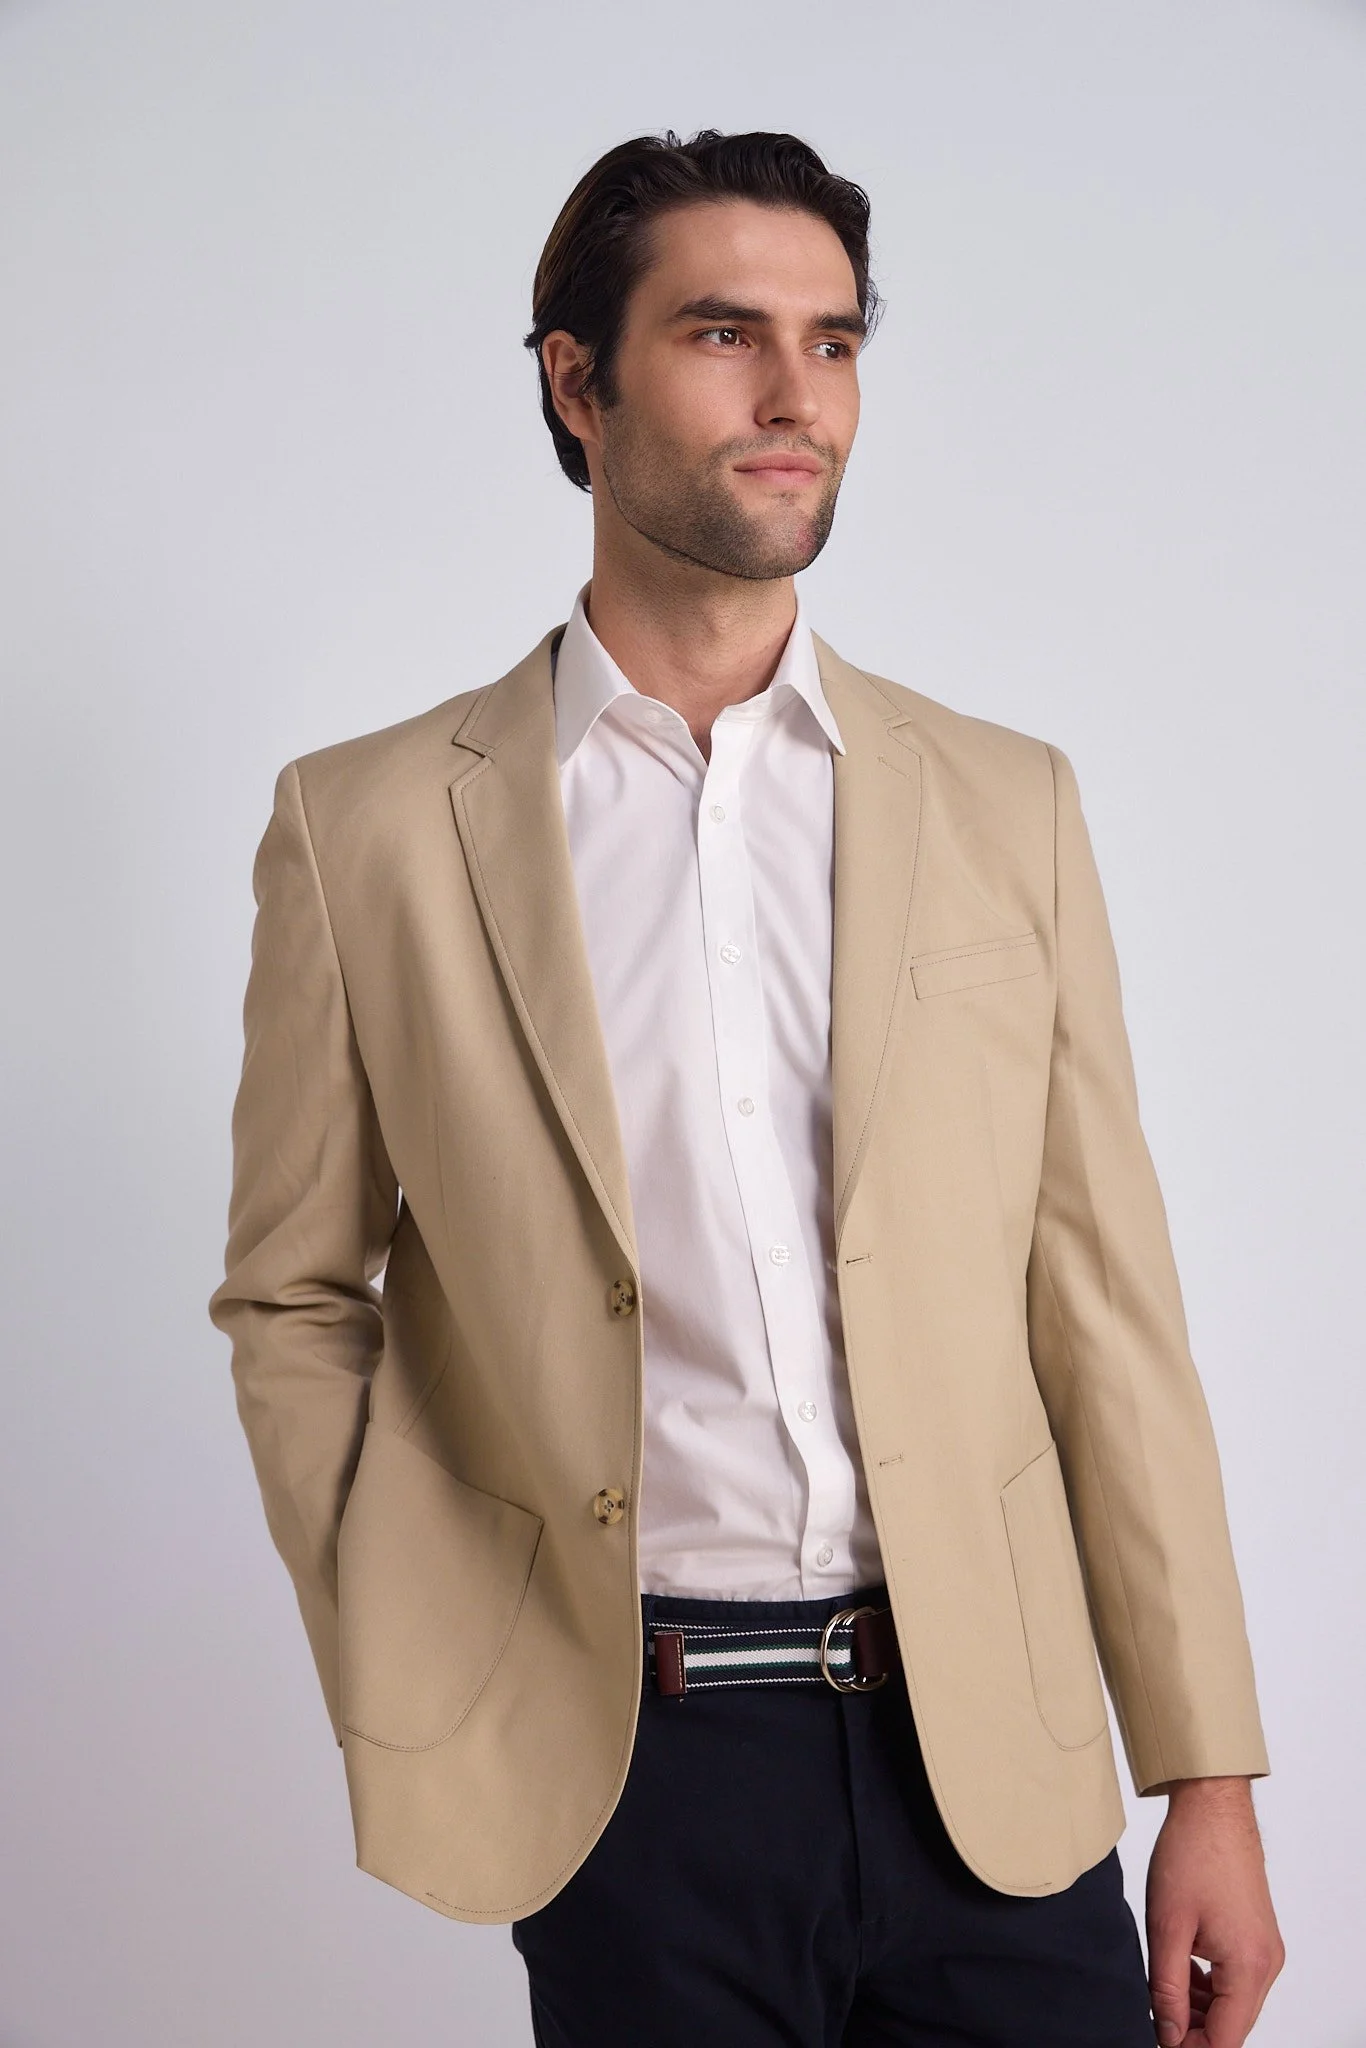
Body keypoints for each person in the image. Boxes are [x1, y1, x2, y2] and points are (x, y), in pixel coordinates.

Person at [209, 129, 1284, 2047]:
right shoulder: (365, 827)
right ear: (577, 381)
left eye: (834, 341)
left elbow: (1105, 1308)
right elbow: (293, 1290)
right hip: (632, 1776)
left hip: (993, 1764)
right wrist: (409, 1614)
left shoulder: (1003, 804)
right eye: (724, 334)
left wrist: (1204, 1774)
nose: (798, 396)